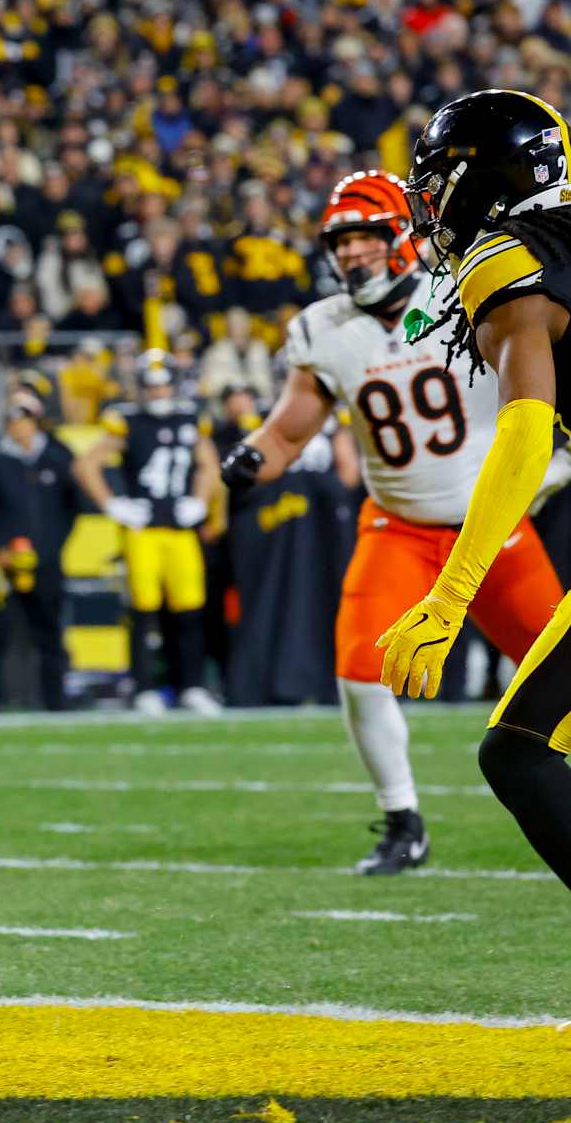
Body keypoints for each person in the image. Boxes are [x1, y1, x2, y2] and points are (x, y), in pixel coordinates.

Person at [222, 169, 561, 874]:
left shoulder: (465, 287)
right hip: (398, 524)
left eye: (367, 237)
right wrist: (252, 455)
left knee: (557, 678)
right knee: (359, 666)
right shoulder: (323, 328)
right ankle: (403, 818)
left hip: (488, 525)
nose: (352, 255)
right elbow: (288, 432)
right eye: (341, 242)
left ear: (402, 236)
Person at [377, 89, 571, 890]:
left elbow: (526, 428)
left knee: (520, 751)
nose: (430, 211)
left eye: (437, 186)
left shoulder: (508, 255)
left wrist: (451, 596)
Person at [74, 350, 224, 715]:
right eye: (151, 386)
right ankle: (144, 689)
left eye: (163, 385)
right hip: (143, 529)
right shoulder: (127, 421)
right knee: (143, 612)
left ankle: (190, 686)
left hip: (179, 527)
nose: (158, 393)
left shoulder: (191, 419)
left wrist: (201, 502)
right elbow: (86, 464)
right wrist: (113, 504)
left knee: (189, 611)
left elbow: (209, 464)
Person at [0, 389, 80, 710]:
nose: (20, 428)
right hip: (4, 563)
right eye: (14, 422)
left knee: (49, 632)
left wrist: (52, 547)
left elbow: (72, 508)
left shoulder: (56, 459)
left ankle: (54, 700)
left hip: (44, 563)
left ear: (35, 423)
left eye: (25, 421)